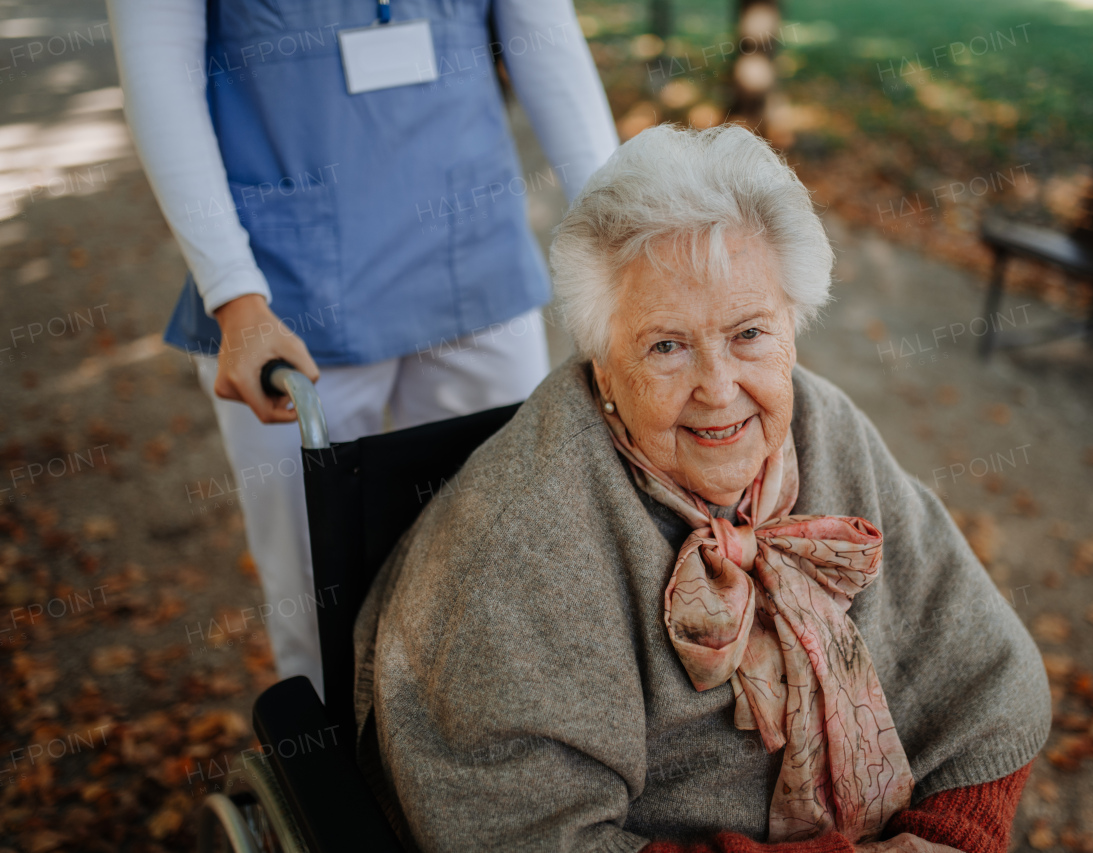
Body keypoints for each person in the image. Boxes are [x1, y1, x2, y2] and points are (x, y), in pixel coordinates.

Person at [352, 125, 1052, 852]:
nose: (719, 390)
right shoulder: (525, 530)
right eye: (667, 346)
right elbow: (521, 825)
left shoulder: (825, 426)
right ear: (603, 364)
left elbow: (989, 673)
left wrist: (948, 836)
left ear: (793, 325)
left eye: (749, 333)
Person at [105, 0, 618, 690]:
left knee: (505, 557)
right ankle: (330, 772)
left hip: (473, 260)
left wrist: (625, 241)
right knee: (320, 595)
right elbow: (158, 74)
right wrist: (234, 292)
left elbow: (544, 38)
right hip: (286, 293)